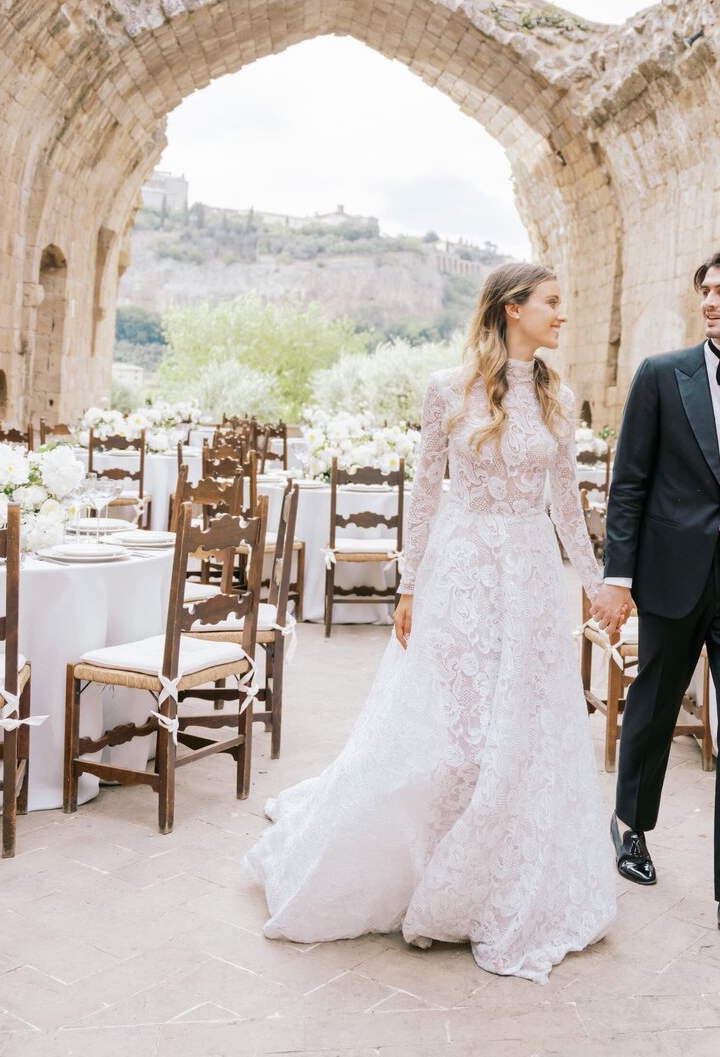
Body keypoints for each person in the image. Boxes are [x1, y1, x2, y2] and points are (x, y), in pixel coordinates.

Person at [245, 262, 615, 983]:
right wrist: (409, 587)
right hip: (465, 569)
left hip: (534, 576)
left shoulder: (558, 397)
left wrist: (598, 586)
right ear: (513, 310)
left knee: (525, 721)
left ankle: (502, 870)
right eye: (551, 304)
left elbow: (566, 502)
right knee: (458, 718)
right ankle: (429, 859)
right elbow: (424, 495)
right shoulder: (448, 389)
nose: (561, 315)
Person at [589, 243, 720, 972]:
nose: (711, 302)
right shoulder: (659, 377)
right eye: (706, 291)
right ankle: (630, 823)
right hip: (671, 573)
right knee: (653, 701)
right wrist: (618, 576)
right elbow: (630, 483)